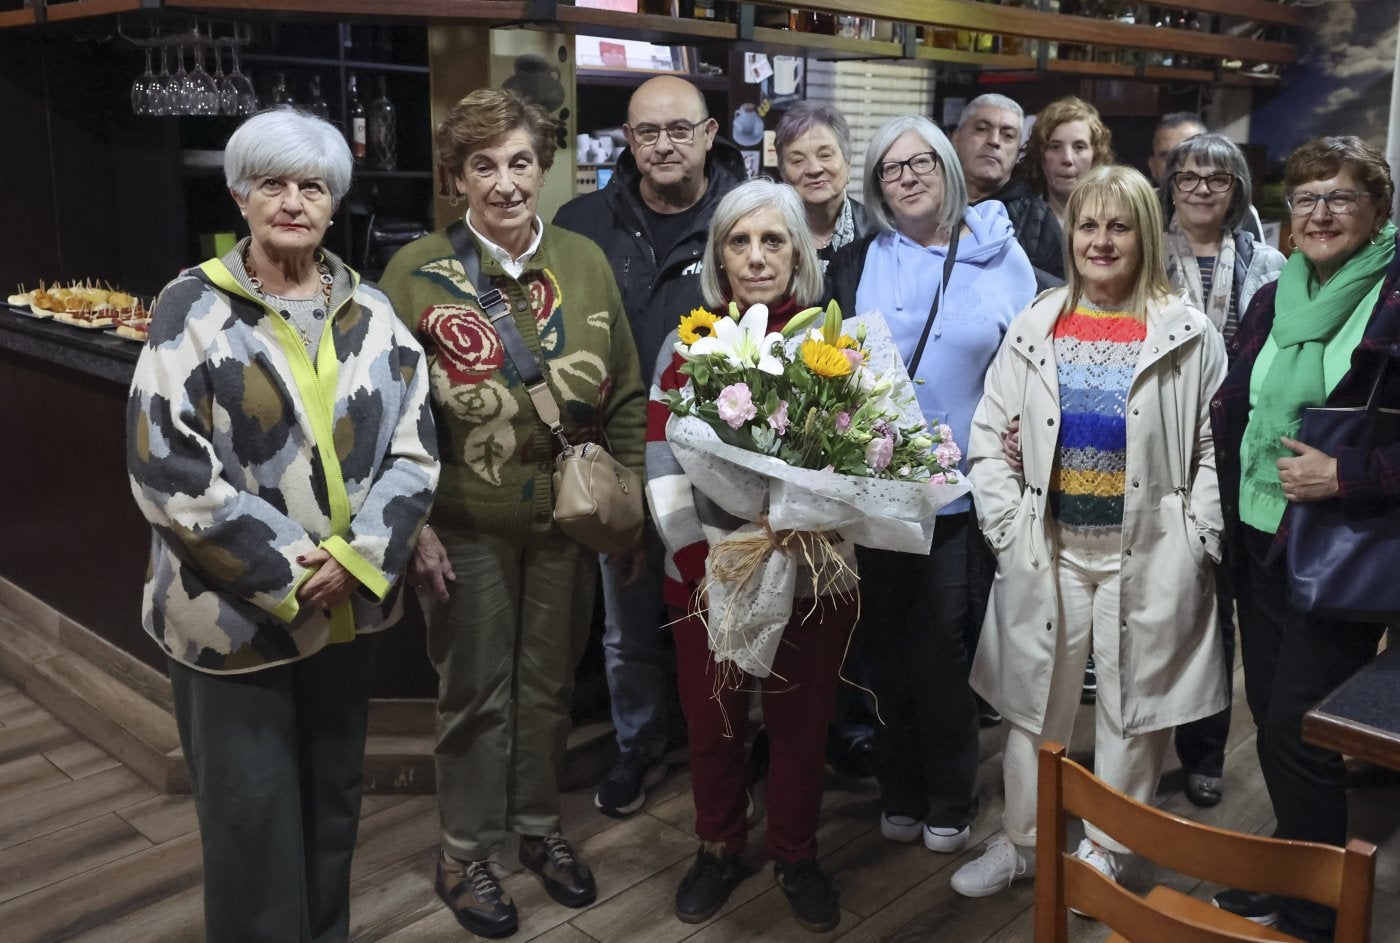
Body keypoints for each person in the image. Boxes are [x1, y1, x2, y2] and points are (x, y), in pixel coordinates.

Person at [126, 108, 440, 943]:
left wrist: (362, 556)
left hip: (349, 612)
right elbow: (167, 470)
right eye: (272, 183)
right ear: (240, 195)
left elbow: (415, 452)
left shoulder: (374, 312)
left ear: (335, 203)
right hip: (232, 622)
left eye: (312, 186)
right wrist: (295, 571)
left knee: (333, 802)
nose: (293, 201)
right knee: (251, 819)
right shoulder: (188, 308)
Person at [379, 88, 646, 939]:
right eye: (482, 165)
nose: (504, 182)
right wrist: (410, 524)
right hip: (462, 521)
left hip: (568, 524)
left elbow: (629, 395)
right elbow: (381, 415)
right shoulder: (414, 272)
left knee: (547, 685)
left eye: (520, 161)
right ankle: (462, 849)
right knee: (472, 692)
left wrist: (628, 510)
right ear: (456, 178)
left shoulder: (584, 260)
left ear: (545, 166)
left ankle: (536, 827)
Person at [953, 165, 1228, 900]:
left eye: (1119, 226)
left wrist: (1199, 534)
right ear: (1069, 233)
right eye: (1087, 225)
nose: (1100, 241)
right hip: (1051, 549)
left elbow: (1213, 449)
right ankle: (1022, 842)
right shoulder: (1037, 322)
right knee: (1030, 702)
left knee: (1132, 708)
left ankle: (1106, 849)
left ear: (1145, 234)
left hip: (1149, 549)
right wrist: (1009, 526)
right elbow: (988, 438)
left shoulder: (1187, 331)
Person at [647, 179, 858, 934]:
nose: (757, 256)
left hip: (810, 570)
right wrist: (699, 558)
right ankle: (718, 844)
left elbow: (860, 462)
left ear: (799, 251)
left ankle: (796, 852)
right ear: (719, 255)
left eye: (773, 241)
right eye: (740, 241)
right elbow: (661, 460)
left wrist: (808, 526)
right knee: (715, 725)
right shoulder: (688, 345)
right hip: (709, 572)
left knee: (803, 724)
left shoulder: (835, 347)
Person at [826, 116, 1036, 857]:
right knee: (879, 647)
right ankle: (900, 787)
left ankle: (952, 791)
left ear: (947, 166)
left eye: (921, 161)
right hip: (873, 492)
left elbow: (1030, 367)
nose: (908, 175)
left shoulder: (1007, 258)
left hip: (961, 492)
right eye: (890, 168)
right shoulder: (854, 263)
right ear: (877, 186)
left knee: (945, 649)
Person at [1210, 136, 1399, 941]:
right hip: (1262, 537)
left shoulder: (1391, 298)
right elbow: (1239, 404)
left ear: (1379, 210)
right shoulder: (1276, 291)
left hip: (1342, 548)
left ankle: (1316, 916)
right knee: (1273, 714)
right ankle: (1297, 879)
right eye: (1306, 198)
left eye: (1341, 197)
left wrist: (1346, 476)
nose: (1319, 213)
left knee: (1300, 729)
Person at [554, 75, 747, 818]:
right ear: (627, 141)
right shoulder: (581, 221)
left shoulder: (741, 216)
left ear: (709, 132)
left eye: (679, 129)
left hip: (722, 467)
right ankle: (640, 746)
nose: (663, 145)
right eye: (646, 132)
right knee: (627, 626)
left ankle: (723, 750)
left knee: (718, 616)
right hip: (616, 459)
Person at [1160, 131, 1286, 809]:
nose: (1203, 188)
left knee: (1224, 603)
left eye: (1217, 178)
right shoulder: (1147, 252)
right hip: (1160, 444)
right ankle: (1147, 740)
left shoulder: (1268, 261)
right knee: (1167, 600)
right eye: (1189, 176)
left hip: (1241, 444)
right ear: (1171, 185)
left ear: (1237, 189)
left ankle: (1206, 750)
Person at [951, 92, 1065, 287]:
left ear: (1018, 151)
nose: (994, 141)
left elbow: (1059, 295)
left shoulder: (1037, 218)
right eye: (981, 129)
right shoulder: (930, 205)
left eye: (1008, 135)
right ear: (955, 139)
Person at [775, 100, 872, 273]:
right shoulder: (768, 234)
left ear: (848, 162)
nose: (814, 169)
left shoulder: (878, 234)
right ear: (783, 172)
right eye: (797, 160)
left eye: (825, 155)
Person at [1149, 112, 1265, 241]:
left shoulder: (1240, 212)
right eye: (1167, 156)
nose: (1180, 163)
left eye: (1192, 150)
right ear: (1152, 166)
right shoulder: (1139, 209)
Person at [1021, 96, 1115, 229]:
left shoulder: (1117, 217)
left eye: (1079, 147)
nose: (1067, 159)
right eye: (1055, 147)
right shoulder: (1018, 221)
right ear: (1040, 154)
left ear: (1096, 154)